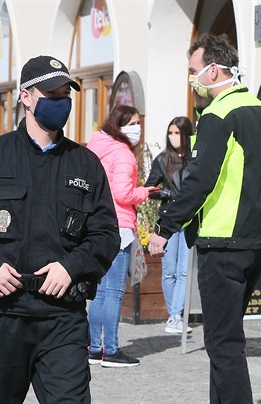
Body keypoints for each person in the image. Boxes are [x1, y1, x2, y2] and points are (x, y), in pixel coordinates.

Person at [0, 55, 120, 403]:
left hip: (63, 316)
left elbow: (106, 234)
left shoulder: (85, 163)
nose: (60, 102)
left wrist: (72, 266)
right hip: (4, 314)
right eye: (51, 93)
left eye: (66, 93)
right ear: (26, 96)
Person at [148, 33, 261, 404]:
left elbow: (200, 179)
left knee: (223, 343)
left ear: (213, 70)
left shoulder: (218, 115)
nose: (190, 78)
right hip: (255, 242)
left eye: (192, 70)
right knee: (224, 339)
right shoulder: (257, 109)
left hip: (224, 243)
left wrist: (164, 227)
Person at [86, 104, 155, 368]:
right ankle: (111, 350)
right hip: (120, 227)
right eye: (134, 123)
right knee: (114, 293)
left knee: (100, 293)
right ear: (121, 124)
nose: (138, 128)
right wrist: (146, 192)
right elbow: (124, 194)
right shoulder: (123, 154)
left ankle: (94, 348)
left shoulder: (97, 147)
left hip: (98, 226)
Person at [145, 116, 194, 334]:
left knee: (184, 271)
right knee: (169, 271)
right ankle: (173, 315)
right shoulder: (163, 159)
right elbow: (149, 188)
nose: (174, 137)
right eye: (171, 133)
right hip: (168, 218)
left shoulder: (195, 159)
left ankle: (176, 316)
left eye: (178, 133)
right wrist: (166, 193)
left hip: (189, 219)